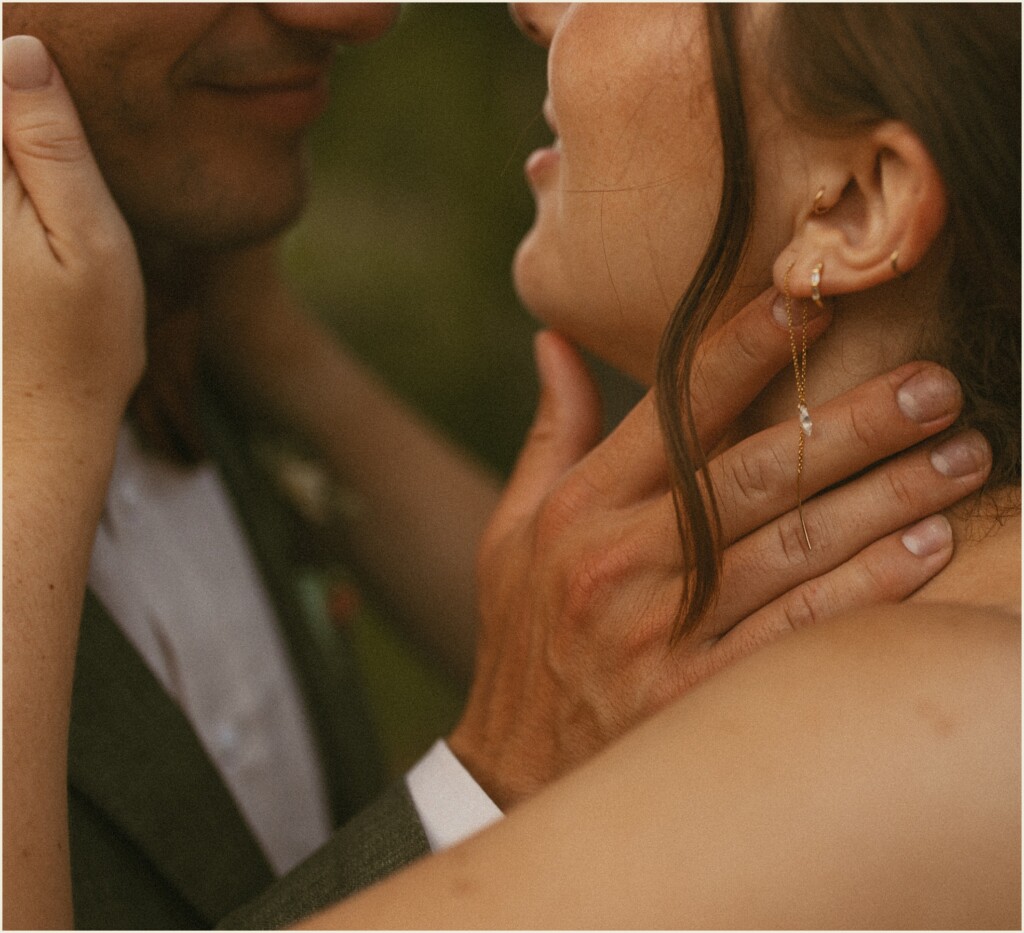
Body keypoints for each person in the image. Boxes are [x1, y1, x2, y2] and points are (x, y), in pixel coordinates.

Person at [1, 4, 1003, 931]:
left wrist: (495, 769)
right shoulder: (213, 330)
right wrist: (271, 352)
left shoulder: (894, 730)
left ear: (856, 203)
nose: (530, 8)